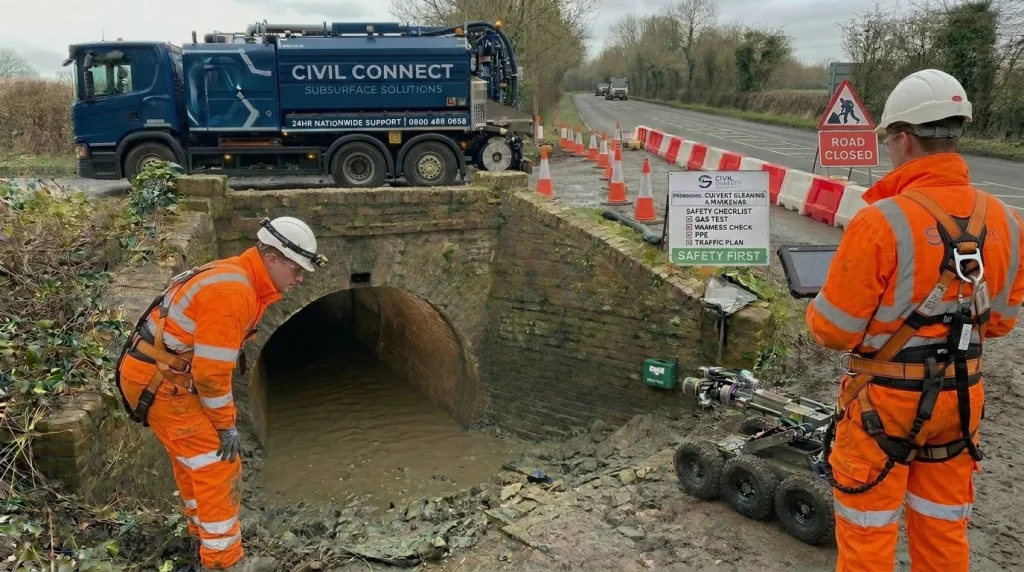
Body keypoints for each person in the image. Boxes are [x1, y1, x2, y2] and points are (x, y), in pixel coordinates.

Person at [806, 68, 1024, 571]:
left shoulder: (881, 221)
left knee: (868, 536)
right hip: (961, 399)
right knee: (944, 530)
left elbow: (834, 330)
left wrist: (813, 310)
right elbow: (1000, 323)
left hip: (884, 406)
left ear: (904, 140)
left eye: (888, 141)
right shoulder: (1007, 220)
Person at [115, 216, 326, 571]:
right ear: (271, 259)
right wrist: (226, 425)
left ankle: (205, 534)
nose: (300, 278)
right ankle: (224, 562)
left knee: (193, 461)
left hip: (153, 374)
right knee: (217, 464)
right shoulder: (233, 292)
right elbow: (211, 375)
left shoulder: (236, 275)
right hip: (164, 383)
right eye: (296, 268)